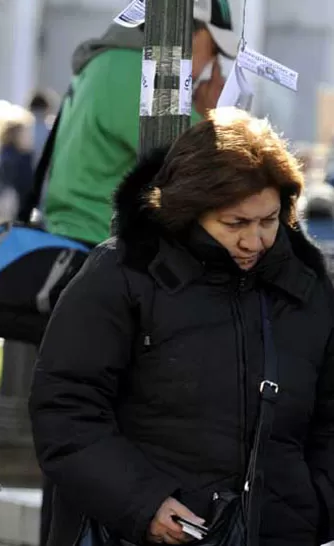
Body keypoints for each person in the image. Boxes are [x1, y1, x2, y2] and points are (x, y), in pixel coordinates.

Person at [30, 108, 334, 546]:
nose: (254, 241)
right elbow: (66, 409)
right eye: (235, 224)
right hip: (152, 530)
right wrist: (143, 502)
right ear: (190, 211)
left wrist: (318, 505)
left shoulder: (307, 287)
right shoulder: (121, 274)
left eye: (268, 221)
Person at [41, 0, 236, 247]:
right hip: (98, 243)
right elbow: (208, 168)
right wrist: (213, 117)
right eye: (214, 50)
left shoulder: (109, 61)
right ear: (189, 35)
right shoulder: (143, 70)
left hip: (79, 238)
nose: (211, 66)